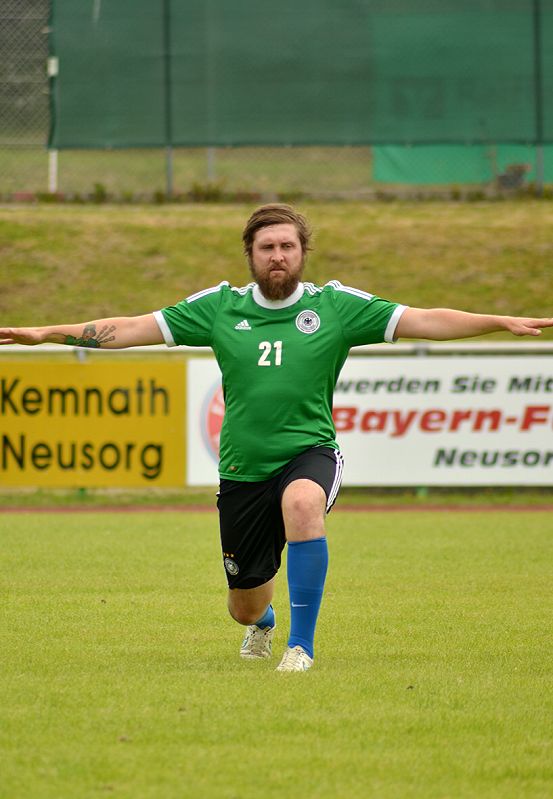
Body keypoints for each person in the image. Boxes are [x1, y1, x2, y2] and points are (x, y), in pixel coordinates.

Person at [1, 204, 552, 672]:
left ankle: (300, 646)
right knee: (243, 605)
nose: (278, 256)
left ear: (303, 252)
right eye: (267, 247)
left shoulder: (335, 307)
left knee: (303, 503)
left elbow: (425, 320)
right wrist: (46, 333)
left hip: (310, 452)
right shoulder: (220, 307)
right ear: (251, 254)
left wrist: (499, 320)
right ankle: (262, 622)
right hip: (242, 469)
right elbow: (130, 328)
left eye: (288, 246)